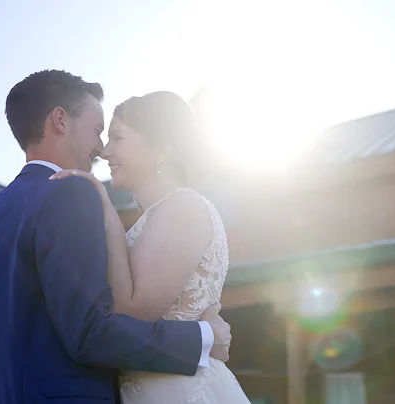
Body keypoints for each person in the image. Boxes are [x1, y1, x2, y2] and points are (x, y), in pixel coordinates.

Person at [0, 70, 232, 404]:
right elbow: (91, 332)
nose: (101, 149)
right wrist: (204, 337)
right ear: (60, 120)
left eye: (114, 137)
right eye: (97, 131)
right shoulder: (70, 193)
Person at [50, 90, 250, 403]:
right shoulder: (161, 215)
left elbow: (132, 315)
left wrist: (107, 214)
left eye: (117, 138)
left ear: (161, 148)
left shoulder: (183, 206)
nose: (104, 151)